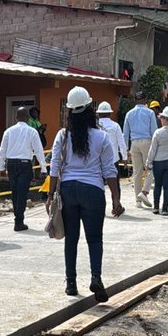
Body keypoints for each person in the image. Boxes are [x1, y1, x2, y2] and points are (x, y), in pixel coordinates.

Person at [47, 86, 124, 302]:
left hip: (68, 190)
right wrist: (116, 199)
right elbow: (110, 170)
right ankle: (96, 278)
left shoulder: (62, 136)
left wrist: (49, 195)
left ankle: (71, 283)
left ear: (70, 112)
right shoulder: (101, 137)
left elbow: (54, 167)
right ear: (91, 109)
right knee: (95, 238)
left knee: (71, 238)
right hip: (93, 191)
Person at [0, 106, 47, 231]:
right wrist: (43, 168)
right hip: (25, 164)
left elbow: (2, 150)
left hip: (12, 164)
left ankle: (18, 218)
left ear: (16, 117)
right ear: (27, 117)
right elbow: (39, 151)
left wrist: (1, 167)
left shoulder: (8, 131)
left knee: (15, 192)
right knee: (22, 193)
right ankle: (19, 220)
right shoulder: (32, 132)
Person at [146, 106, 168, 216]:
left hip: (159, 162)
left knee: (158, 185)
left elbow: (153, 149)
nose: (160, 119)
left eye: (162, 117)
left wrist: (148, 162)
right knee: (167, 186)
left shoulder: (158, 133)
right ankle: (165, 209)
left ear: (166, 119)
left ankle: (156, 207)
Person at [122, 97, 157, 208]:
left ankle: (138, 200)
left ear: (135, 101)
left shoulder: (129, 113)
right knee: (150, 168)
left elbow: (125, 133)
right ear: (144, 101)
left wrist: (125, 150)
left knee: (137, 172)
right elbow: (154, 131)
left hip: (134, 143)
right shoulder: (150, 112)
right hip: (147, 142)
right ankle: (144, 191)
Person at [95, 101, 126, 190]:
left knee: (98, 185)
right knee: (115, 185)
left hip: (98, 161)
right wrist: (124, 157)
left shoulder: (94, 126)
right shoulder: (115, 126)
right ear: (110, 113)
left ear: (98, 113)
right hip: (113, 160)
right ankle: (116, 202)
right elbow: (121, 143)